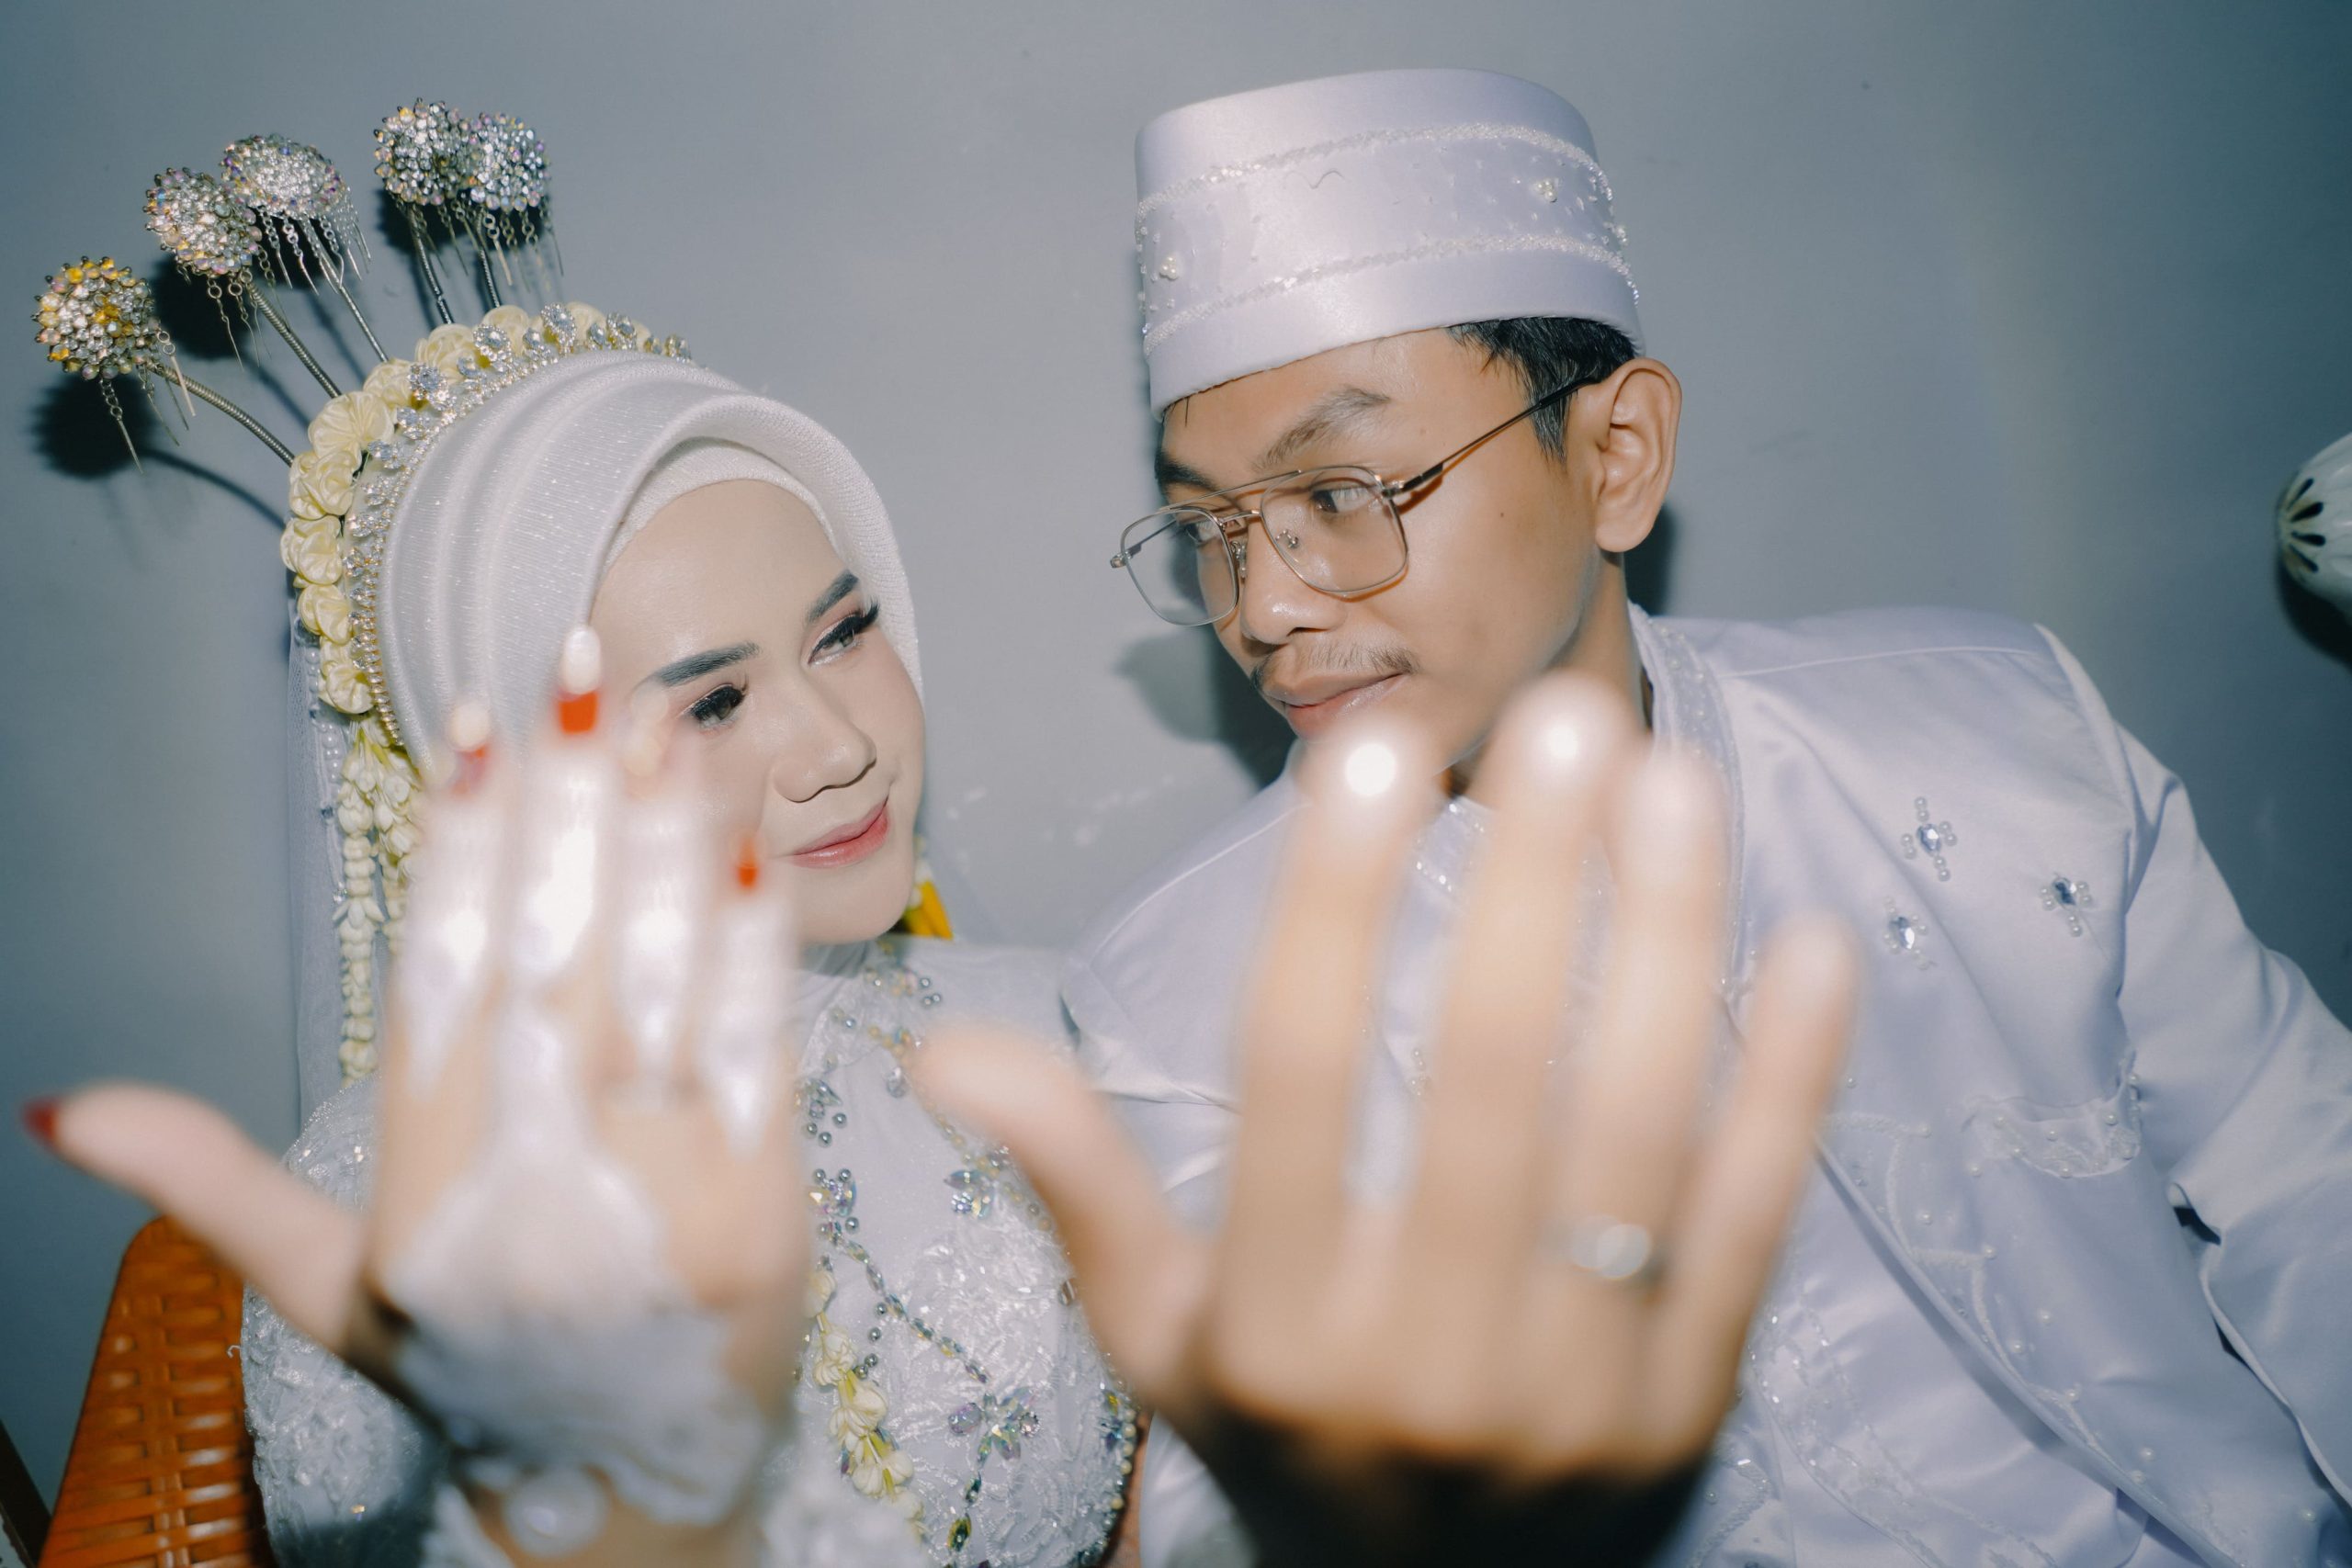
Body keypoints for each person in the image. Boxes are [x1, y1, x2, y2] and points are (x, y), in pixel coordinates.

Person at [28, 306, 1860, 1563]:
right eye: (710, 699)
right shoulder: (390, 1213)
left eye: (844, 631)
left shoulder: (1075, 1035)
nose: (836, 742)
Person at [1073, 68, 2352, 1565]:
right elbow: (1239, 1488)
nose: (1263, 606)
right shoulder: (1184, 995)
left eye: (1341, 493)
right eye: (1209, 529)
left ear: (1615, 458)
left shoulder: (1999, 737)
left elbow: (2303, 1176)